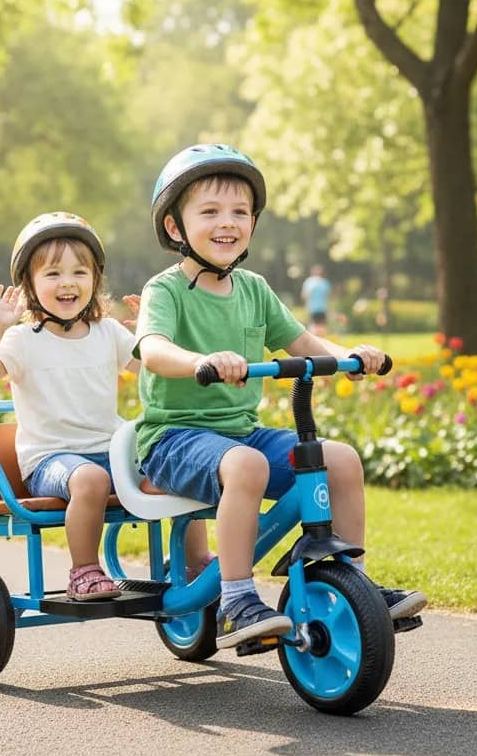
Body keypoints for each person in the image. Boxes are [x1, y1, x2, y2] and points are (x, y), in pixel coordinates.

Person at [134, 143, 427, 650]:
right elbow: (154, 349)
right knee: (247, 466)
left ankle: (349, 579)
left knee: (339, 461)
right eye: (210, 212)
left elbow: (303, 344)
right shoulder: (166, 291)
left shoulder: (254, 289)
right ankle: (235, 599)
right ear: (175, 229)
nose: (228, 223)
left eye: (240, 213)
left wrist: (350, 355)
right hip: (173, 438)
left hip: (240, 434)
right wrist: (201, 362)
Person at [0, 211, 210, 600]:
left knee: (179, 468)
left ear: (95, 280)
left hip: (111, 450)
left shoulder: (107, 332)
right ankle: (85, 571)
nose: (68, 283)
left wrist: (152, 330)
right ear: (28, 284)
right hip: (51, 459)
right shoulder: (21, 339)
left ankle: (198, 564)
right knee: (89, 480)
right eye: (53, 273)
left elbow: (154, 368)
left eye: (80, 272)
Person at [300, 264, 333, 336]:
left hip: (314, 307)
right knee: (321, 326)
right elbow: (328, 296)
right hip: (320, 307)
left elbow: (305, 295)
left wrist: (306, 305)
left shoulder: (309, 282)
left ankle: (315, 342)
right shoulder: (324, 282)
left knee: (314, 326)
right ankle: (321, 342)